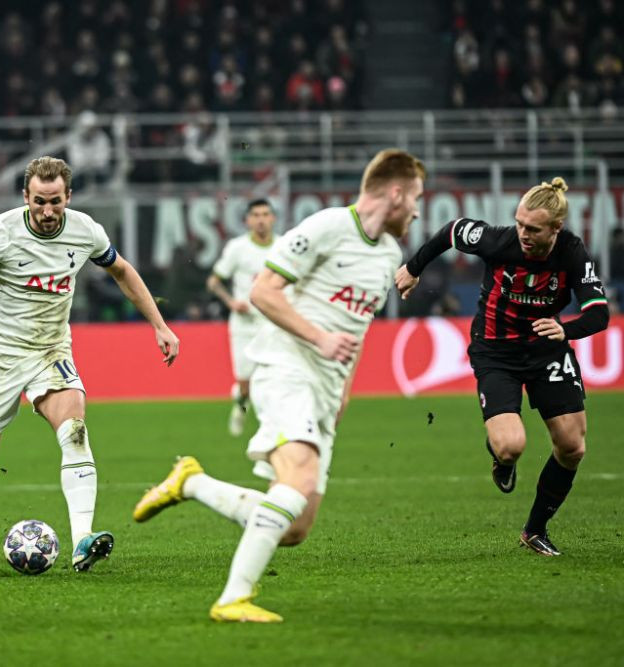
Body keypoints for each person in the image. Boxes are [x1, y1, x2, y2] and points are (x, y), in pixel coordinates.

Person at [135, 149, 426, 622]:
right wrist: (318, 338)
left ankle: (192, 482)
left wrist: (343, 393)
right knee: (299, 480)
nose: (417, 210)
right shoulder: (326, 227)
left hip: (325, 390)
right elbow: (262, 291)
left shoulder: (390, 256)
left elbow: (355, 331)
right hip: (285, 369)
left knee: (294, 526)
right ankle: (233, 599)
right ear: (394, 193)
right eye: (414, 198)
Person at [0, 156, 179, 572]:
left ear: (68, 197)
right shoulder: (0, 233)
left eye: (55, 202)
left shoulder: (85, 230)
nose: (47, 211)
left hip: (50, 351)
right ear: (25, 197)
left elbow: (123, 272)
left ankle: (81, 541)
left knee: (75, 431)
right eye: (39, 201)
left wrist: (160, 326)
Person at [395, 177, 609, 557]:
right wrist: (413, 268)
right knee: (511, 447)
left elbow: (599, 313)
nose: (523, 233)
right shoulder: (499, 240)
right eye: (519, 223)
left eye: (533, 228)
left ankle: (535, 530)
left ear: (555, 229)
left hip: (547, 351)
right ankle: (499, 457)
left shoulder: (573, 252)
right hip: (496, 352)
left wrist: (565, 329)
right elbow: (452, 231)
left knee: (572, 447)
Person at [207, 199, 276, 436]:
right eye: (255, 214)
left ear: (273, 218)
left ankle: (273, 425)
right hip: (244, 326)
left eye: (265, 214)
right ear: (247, 220)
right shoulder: (238, 248)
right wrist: (231, 302)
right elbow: (214, 281)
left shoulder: (284, 247)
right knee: (246, 382)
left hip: (274, 323)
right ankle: (241, 404)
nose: (261, 219)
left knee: (275, 377)